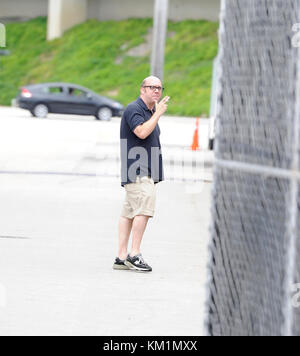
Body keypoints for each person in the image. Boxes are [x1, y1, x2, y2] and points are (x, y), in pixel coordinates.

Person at [113, 76, 170, 272]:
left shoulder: (149, 110)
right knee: (144, 210)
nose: (156, 91)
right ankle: (134, 254)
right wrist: (158, 114)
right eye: (152, 87)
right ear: (142, 89)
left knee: (128, 213)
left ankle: (121, 257)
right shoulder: (134, 109)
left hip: (144, 170)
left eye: (159, 88)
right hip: (138, 170)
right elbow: (142, 132)